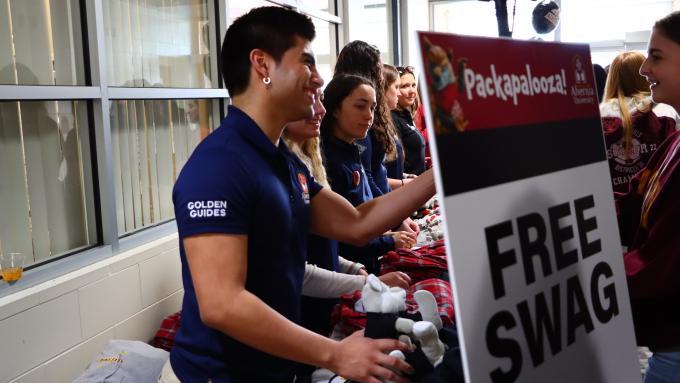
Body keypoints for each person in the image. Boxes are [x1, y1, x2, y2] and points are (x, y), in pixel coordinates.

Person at [166, 6, 435, 383]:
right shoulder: (220, 165)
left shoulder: (283, 162)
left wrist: (440, 174)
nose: (319, 77)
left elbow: (358, 223)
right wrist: (335, 353)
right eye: (306, 62)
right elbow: (221, 304)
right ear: (262, 64)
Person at [618, 10, 680, 383]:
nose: (644, 69)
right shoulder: (674, 140)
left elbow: (664, 264)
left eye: (656, 57)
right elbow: (634, 201)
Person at [320, 73, 417, 274]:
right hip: (349, 273)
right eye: (360, 106)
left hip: (366, 264)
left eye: (372, 107)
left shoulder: (352, 149)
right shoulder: (328, 161)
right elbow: (346, 234)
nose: (369, 115)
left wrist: (389, 230)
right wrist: (388, 240)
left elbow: (366, 206)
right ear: (335, 109)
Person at [599, 51, 679, 194]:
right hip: (656, 199)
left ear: (612, 78)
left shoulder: (598, 113)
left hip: (611, 203)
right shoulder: (667, 110)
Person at [392, 65, 427, 175]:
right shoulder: (393, 118)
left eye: (413, 85)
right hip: (409, 187)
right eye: (405, 86)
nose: (412, 91)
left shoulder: (406, 114)